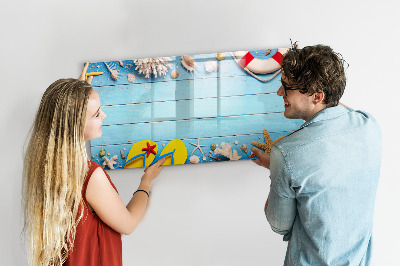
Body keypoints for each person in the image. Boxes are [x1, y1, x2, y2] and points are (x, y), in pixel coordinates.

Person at [22, 63, 165, 266]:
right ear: (75, 124)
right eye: (97, 114)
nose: (103, 116)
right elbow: (128, 223)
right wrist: (146, 181)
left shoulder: (45, 167)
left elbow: (66, 119)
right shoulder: (90, 176)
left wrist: (77, 95)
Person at [251, 45, 382, 265]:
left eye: (287, 87)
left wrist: (276, 168)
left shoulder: (285, 154)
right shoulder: (369, 125)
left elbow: (279, 225)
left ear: (317, 96)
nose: (279, 92)